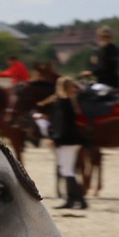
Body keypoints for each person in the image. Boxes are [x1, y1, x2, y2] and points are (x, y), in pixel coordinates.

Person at [39, 76, 86, 209]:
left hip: (66, 141)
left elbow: (62, 125)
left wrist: (55, 139)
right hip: (72, 140)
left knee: (67, 171)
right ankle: (79, 200)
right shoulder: (71, 102)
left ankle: (74, 200)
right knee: (68, 170)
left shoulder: (62, 103)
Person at [88, 27, 119, 92]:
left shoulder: (103, 50)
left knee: (86, 93)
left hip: (105, 83)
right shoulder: (115, 49)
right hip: (115, 83)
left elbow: (103, 68)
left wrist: (91, 72)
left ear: (99, 37)